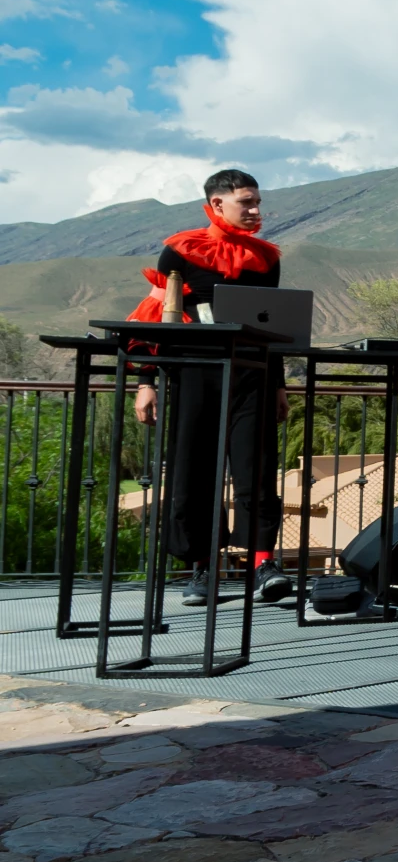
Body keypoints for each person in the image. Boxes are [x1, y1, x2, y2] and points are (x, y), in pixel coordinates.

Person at [128, 170, 290, 606]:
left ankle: (262, 564)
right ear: (217, 205)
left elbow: (269, 326)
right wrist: (146, 382)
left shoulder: (267, 259)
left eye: (258, 202)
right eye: (247, 203)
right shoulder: (180, 250)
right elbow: (153, 316)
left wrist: (277, 385)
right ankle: (200, 568)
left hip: (251, 375)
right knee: (192, 471)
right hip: (192, 373)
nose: (256, 211)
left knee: (256, 469)